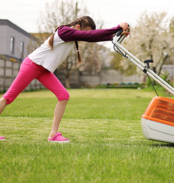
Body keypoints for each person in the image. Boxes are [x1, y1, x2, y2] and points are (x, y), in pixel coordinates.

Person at [0, 16, 129, 143]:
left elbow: (92, 37)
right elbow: (90, 36)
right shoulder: (64, 31)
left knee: (63, 95)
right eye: (86, 31)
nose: (86, 35)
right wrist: (116, 27)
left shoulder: (71, 35)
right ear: (78, 27)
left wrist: (114, 36)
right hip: (32, 65)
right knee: (8, 97)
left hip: (43, 70)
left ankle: (53, 134)